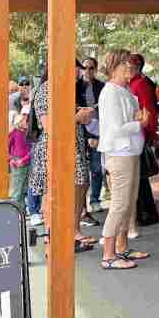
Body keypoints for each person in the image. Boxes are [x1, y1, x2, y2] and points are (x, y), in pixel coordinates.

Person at [28, 63, 96, 254]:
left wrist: (82, 115)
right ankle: (54, 241)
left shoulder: (63, 89)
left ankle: (69, 234)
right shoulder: (46, 90)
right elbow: (49, 126)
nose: (78, 71)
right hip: (56, 150)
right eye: (74, 67)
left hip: (71, 147)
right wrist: (77, 117)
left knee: (78, 188)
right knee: (55, 196)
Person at [98, 49, 150, 270]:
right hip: (120, 153)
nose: (130, 68)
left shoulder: (123, 91)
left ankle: (121, 247)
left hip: (129, 152)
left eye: (131, 64)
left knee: (127, 204)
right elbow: (116, 128)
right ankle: (108, 255)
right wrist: (140, 123)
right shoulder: (110, 92)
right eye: (126, 64)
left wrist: (138, 119)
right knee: (119, 204)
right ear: (114, 67)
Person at [129, 53, 159, 232]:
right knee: (139, 178)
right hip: (136, 132)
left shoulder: (141, 83)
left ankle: (147, 213)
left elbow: (149, 110)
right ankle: (144, 213)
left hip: (140, 133)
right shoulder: (133, 83)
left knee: (140, 178)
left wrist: (150, 133)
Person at [79, 58, 106, 215]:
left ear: (95, 69)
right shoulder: (75, 86)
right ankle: (81, 205)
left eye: (91, 68)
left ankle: (95, 199)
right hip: (81, 131)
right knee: (81, 171)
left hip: (97, 130)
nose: (87, 71)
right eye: (85, 67)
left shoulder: (102, 86)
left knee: (97, 168)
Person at [8, 106, 33, 213]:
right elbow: (6, 147)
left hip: (27, 161)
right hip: (17, 161)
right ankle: (17, 211)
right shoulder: (14, 132)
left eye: (27, 117)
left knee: (26, 188)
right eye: (23, 116)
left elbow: (33, 148)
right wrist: (11, 159)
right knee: (18, 189)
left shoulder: (30, 132)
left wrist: (23, 159)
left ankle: (22, 210)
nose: (25, 119)